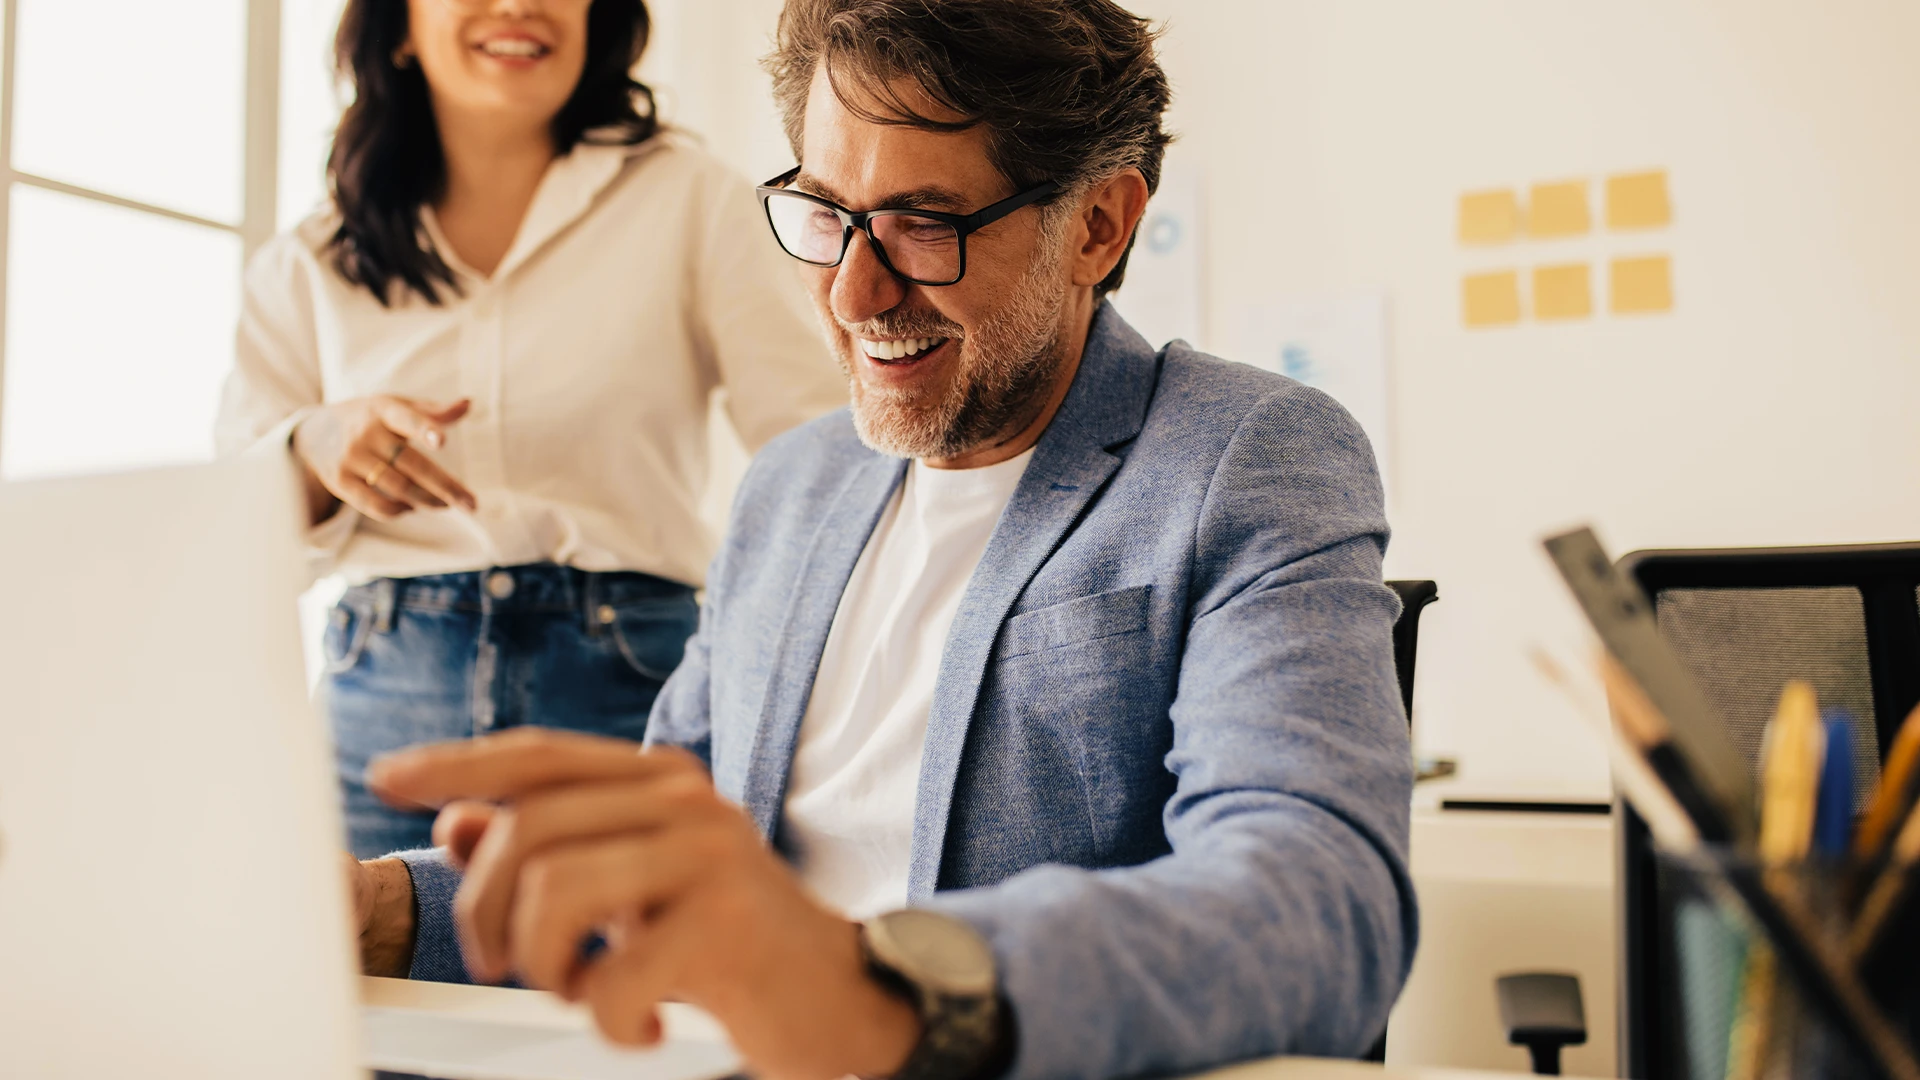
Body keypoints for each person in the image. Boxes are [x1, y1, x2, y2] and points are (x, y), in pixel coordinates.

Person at [350, 1, 1418, 1077]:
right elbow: (658, 867)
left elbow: (1318, 901)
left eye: (924, 222)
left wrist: (873, 988)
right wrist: (387, 910)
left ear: (1099, 224)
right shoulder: (791, 487)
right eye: (826, 212)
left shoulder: (1243, 457)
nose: (855, 293)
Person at [216, 0, 844, 858]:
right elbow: (224, 543)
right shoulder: (307, 263)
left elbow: (822, 452)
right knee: (354, 982)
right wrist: (312, 446)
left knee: (620, 986)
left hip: (630, 692)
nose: (520, 5)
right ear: (397, 26)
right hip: (380, 716)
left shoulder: (692, 200)